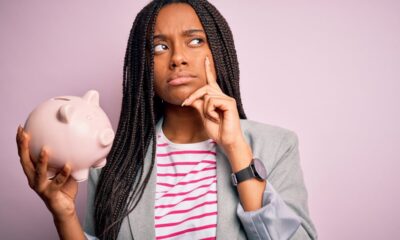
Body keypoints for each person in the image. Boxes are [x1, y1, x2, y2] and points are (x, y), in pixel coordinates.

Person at [16, 0, 318, 239]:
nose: (177, 58)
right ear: (143, 65)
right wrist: (64, 214)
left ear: (219, 49)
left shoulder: (278, 145)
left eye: (195, 41)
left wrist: (236, 148)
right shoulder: (112, 161)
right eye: (159, 47)